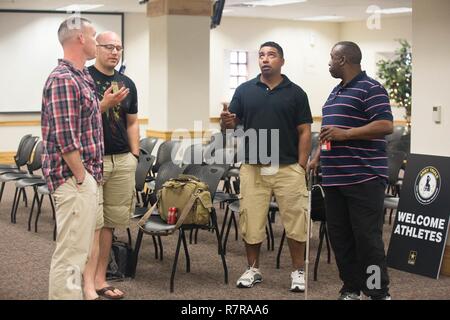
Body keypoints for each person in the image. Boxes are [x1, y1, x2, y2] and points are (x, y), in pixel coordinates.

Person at [221, 41, 312, 292]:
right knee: (251, 220)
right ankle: (253, 269)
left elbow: (305, 131)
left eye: (271, 55)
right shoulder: (245, 90)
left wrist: (301, 166)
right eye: (261, 55)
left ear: (281, 61)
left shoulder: (296, 93)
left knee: (295, 221)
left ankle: (298, 271)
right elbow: (230, 127)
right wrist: (226, 121)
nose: (265, 59)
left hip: (288, 167)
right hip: (253, 167)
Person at [308, 41, 393, 300]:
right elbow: (330, 131)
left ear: (343, 59)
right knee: (341, 238)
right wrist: (318, 154)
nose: (329, 63)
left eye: (332, 58)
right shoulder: (335, 92)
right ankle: (351, 288)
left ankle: (378, 292)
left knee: (367, 239)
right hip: (334, 179)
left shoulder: (372, 88)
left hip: (364, 178)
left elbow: (385, 124)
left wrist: (347, 134)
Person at [41, 17, 104, 300]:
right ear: (80, 38)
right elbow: (67, 141)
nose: (97, 41)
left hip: (84, 178)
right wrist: (82, 178)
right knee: (70, 254)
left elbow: (83, 121)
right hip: (74, 180)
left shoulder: (82, 76)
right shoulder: (63, 79)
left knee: (78, 252)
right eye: (94, 36)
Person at [85, 31, 139, 300]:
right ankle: (86, 281)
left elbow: (132, 121)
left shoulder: (126, 82)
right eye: (109, 47)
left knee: (109, 224)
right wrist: (103, 104)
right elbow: (79, 119)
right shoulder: (84, 79)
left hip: (122, 161)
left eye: (119, 47)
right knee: (92, 224)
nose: (115, 52)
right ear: (96, 48)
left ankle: (100, 278)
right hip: (94, 161)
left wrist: (135, 154)